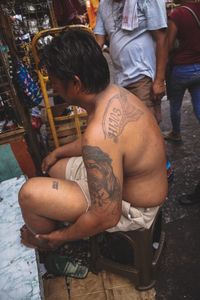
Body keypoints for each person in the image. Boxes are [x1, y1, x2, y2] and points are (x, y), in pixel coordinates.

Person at [18, 29, 168, 250]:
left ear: (76, 83)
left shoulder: (99, 133)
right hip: (129, 185)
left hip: (134, 209)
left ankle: (49, 245)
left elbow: (107, 216)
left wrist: (61, 236)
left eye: (56, 81)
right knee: (56, 167)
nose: (54, 87)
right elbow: (105, 149)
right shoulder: (114, 94)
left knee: (28, 193)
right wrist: (57, 152)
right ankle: (61, 219)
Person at [94, 0, 168, 124]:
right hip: (120, 79)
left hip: (143, 76)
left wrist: (159, 80)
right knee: (132, 127)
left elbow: (161, 39)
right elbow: (99, 42)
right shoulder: (104, 4)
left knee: (146, 126)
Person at [164, 0, 200, 142]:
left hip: (181, 69)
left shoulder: (177, 14)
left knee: (175, 104)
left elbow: (170, 44)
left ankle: (176, 133)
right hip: (199, 66)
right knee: (198, 104)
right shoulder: (198, 8)